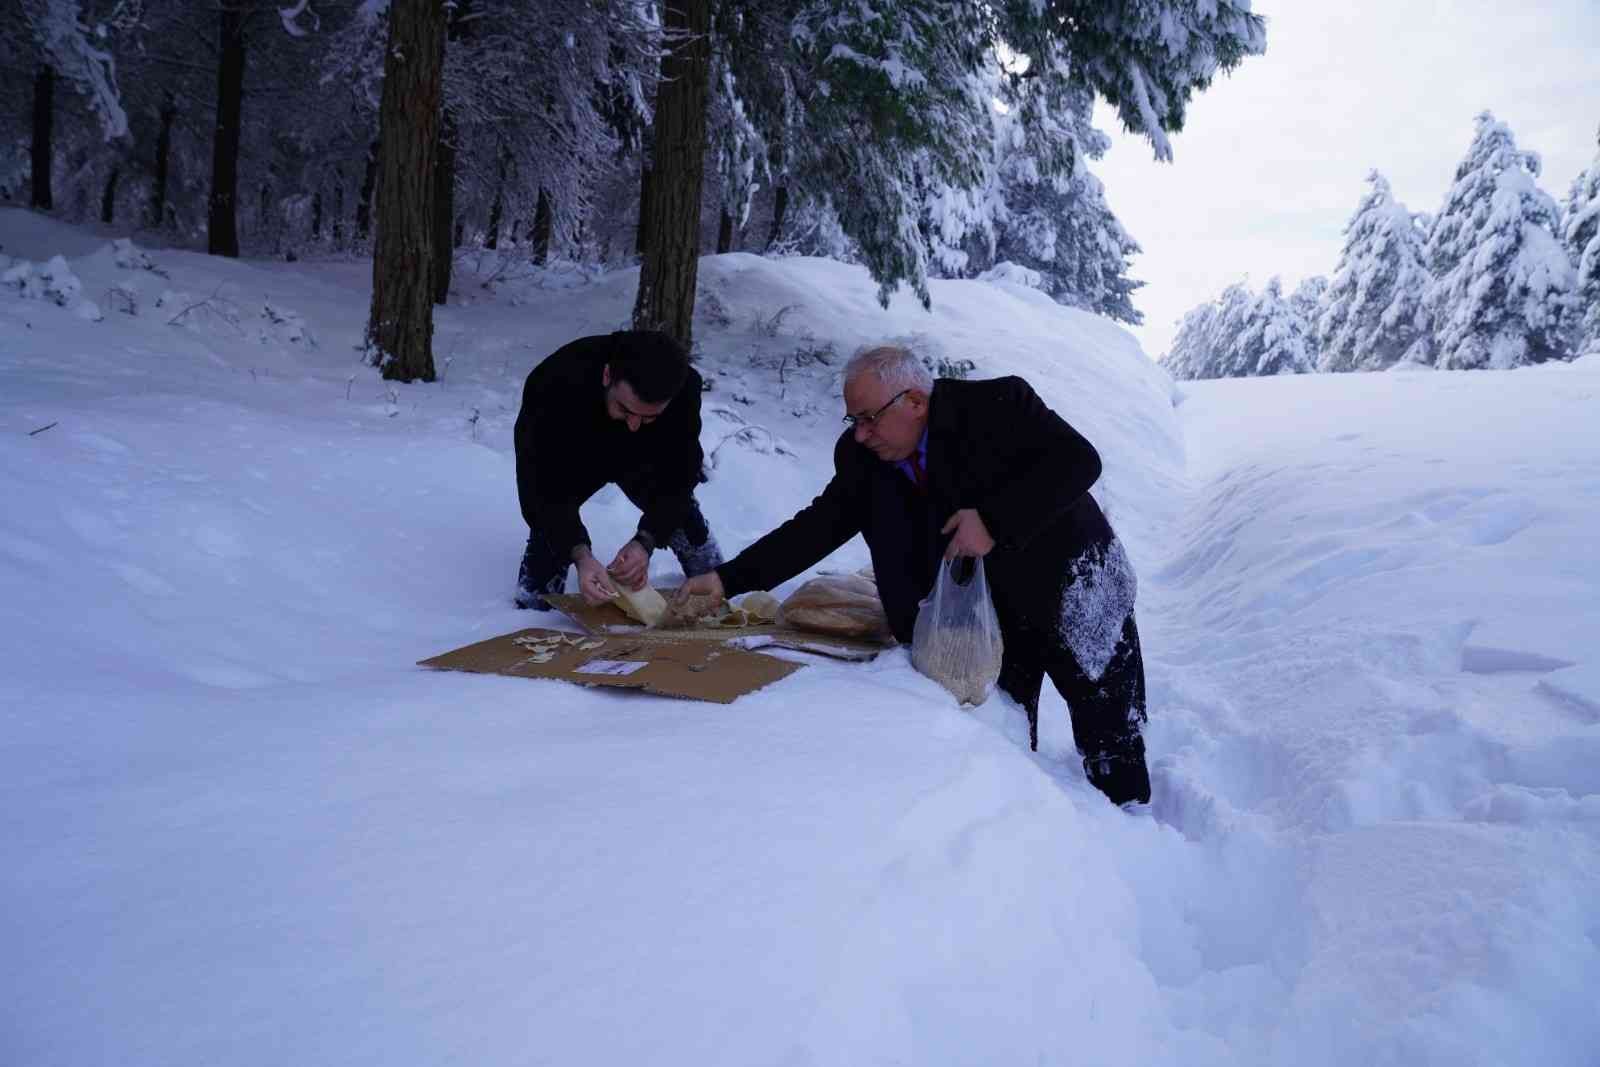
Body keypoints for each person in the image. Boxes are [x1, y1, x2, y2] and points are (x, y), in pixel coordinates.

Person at [676, 344, 1150, 806]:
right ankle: (1024, 830)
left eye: (868, 418)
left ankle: (1126, 831)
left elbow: (1079, 460)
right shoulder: (863, 459)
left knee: (1109, 729)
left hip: (1075, 583)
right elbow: (817, 528)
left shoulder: (997, 407)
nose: (860, 434)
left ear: (916, 402)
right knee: (1001, 728)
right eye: (852, 420)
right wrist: (726, 580)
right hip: (990, 610)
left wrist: (992, 521)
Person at [513, 330, 722, 609]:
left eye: (649, 417)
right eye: (625, 409)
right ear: (607, 375)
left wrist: (645, 540)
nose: (634, 424)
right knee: (547, 549)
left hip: (643, 457)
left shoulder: (683, 388)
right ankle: (537, 595)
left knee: (679, 515)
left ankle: (712, 572)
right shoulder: (554, 382)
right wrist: (580, 554)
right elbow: (538, 485)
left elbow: (680, 474)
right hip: (576, 455)